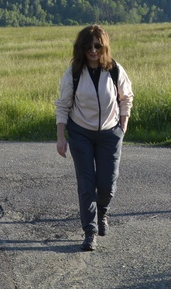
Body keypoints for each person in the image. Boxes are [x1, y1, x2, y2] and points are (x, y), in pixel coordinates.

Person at [55, 24, 133, 251]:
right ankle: (90, 232)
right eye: (88, 46)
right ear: (81, 48)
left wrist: (122, 127)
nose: (93, 50)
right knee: (87, 183)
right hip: (80, 134)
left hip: (110, 133)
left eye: (97, 46)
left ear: (104, 47)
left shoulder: (115, 70)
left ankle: (103, 211)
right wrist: (61, 137)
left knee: (107, 185)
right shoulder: (74, 73)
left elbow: (126, 97)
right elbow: (63, 106)